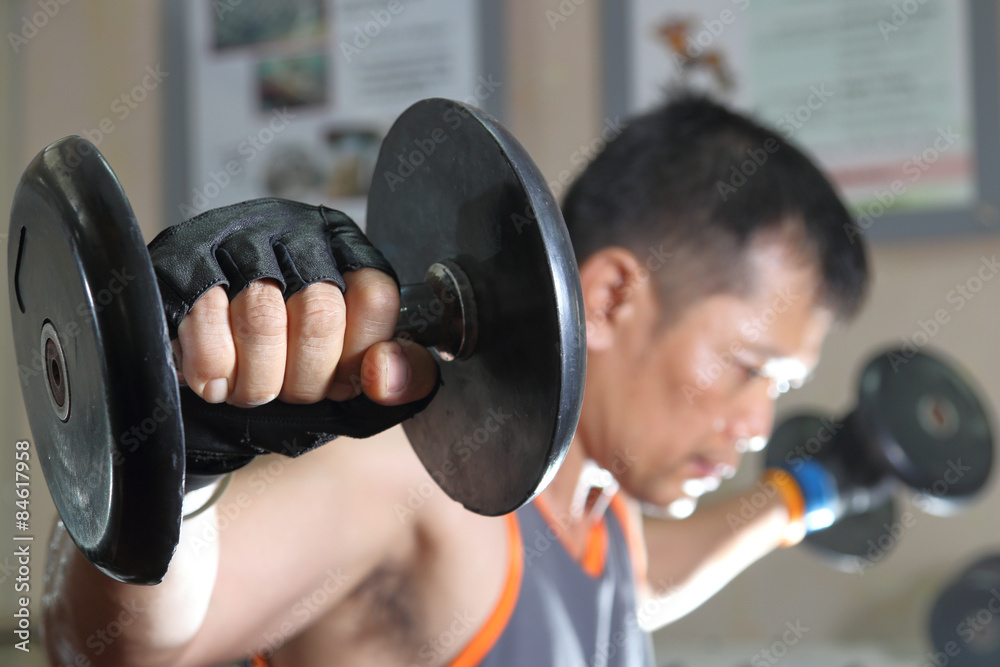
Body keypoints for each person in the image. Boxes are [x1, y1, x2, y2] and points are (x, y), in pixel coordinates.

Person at [43, 93, 868, 666]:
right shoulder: (417, 479)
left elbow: (650, 584)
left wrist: (811, 493)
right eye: (749, 368)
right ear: (614, 297)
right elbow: (113, 646)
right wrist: (179, 459)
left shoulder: (599, 509)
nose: (760, 421)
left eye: (783, 390)